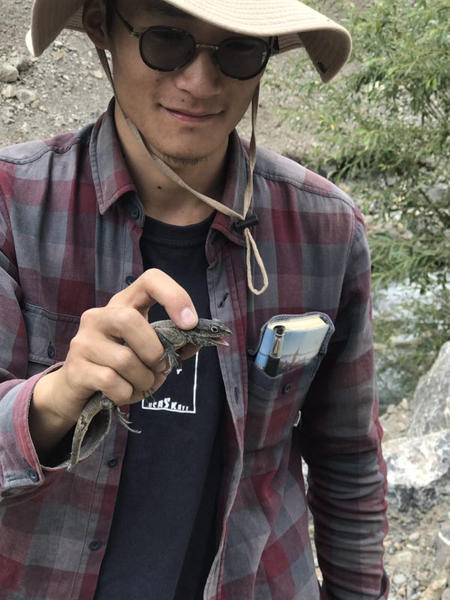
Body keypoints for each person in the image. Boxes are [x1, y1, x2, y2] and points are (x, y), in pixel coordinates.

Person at [0, 0, 390, 598]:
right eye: (166, 40)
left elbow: (349, 460)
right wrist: (59, 396)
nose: (201, 82)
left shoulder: (327, 229)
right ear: (103, 26)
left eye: (239, 49)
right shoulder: (11, 203)